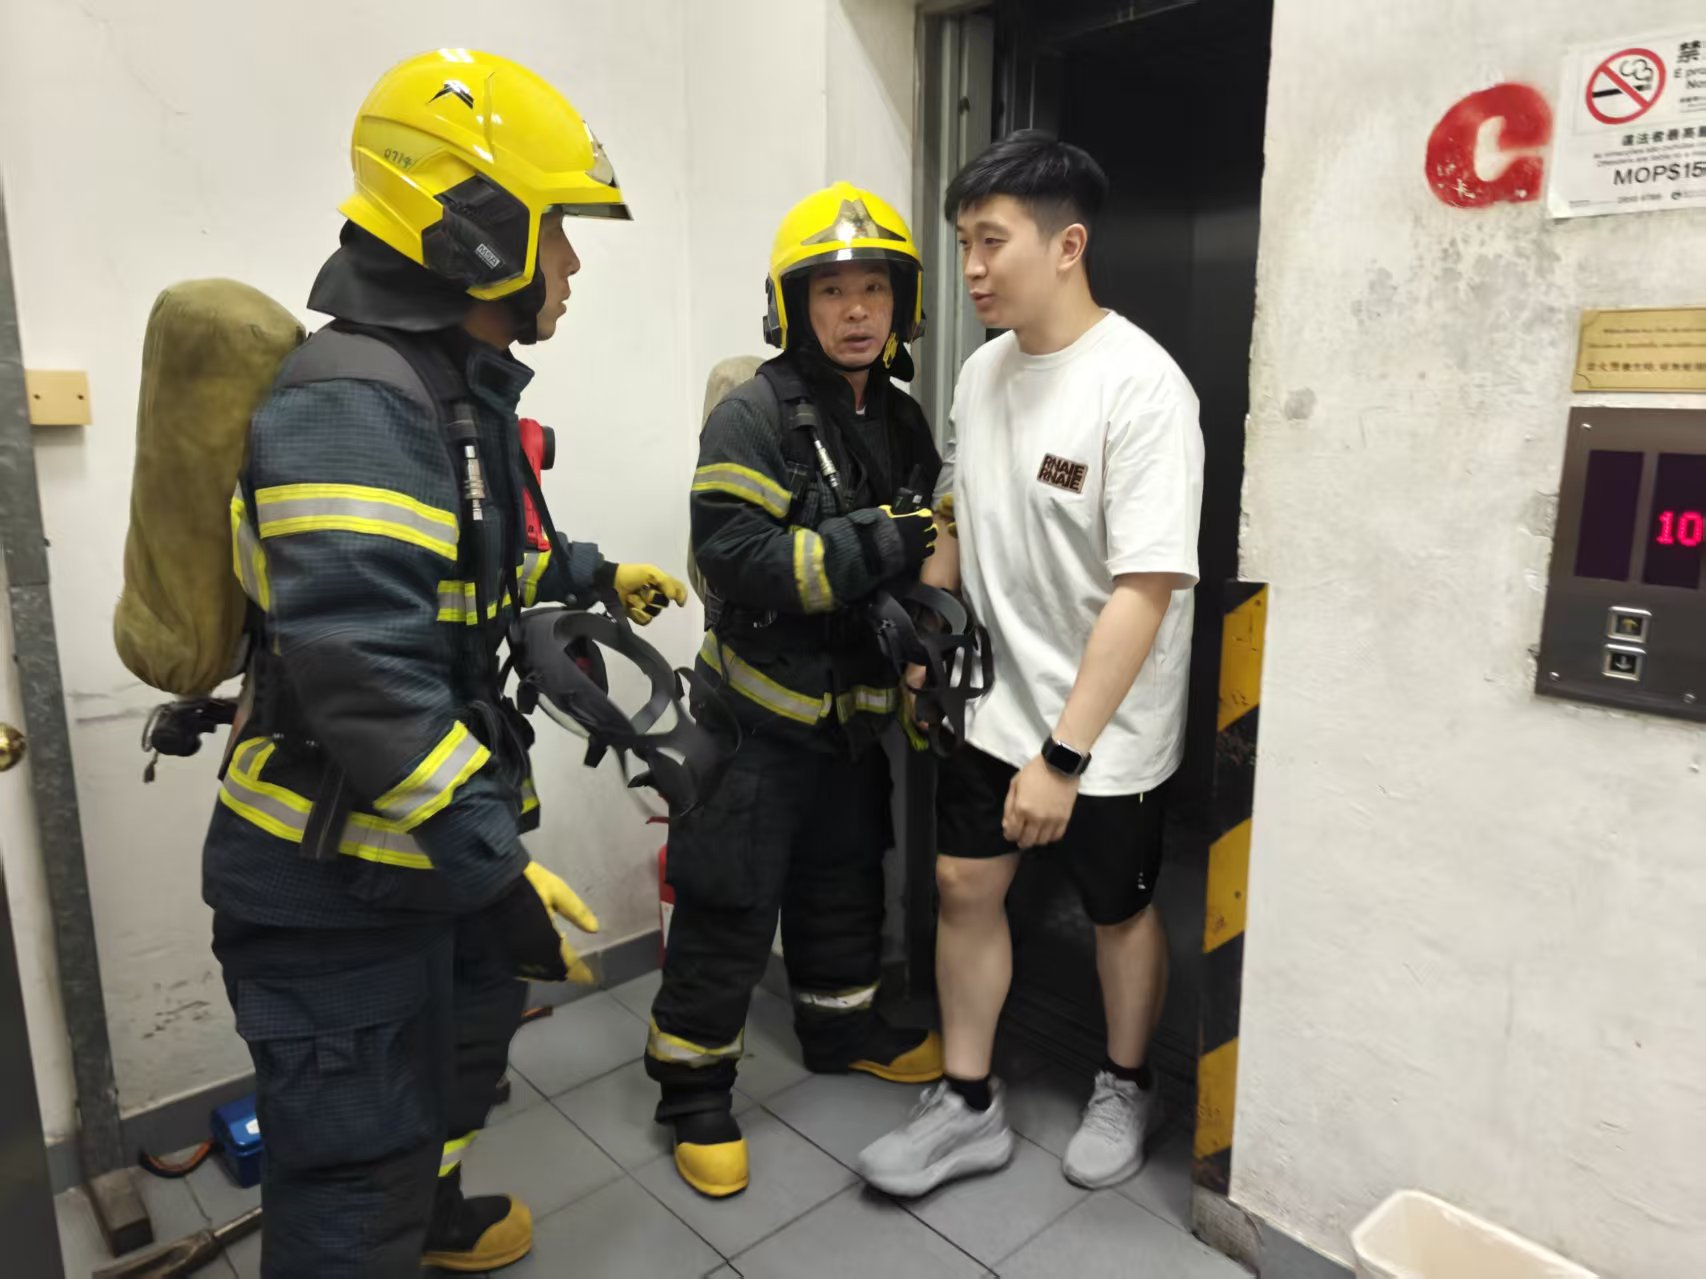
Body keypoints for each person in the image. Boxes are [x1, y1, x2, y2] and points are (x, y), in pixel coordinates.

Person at [204, 50, 685, 1276]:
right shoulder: (352, 402)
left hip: (419, 864)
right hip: (339, 885)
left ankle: (433, 1221)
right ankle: (391, 1226)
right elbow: (362, 671)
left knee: (453, 1070)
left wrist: (590, 573)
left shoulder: (447, 389)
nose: (570, 264)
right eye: (556, 230)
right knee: (353, 1176)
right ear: (477, 228)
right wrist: (495, 871)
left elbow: (466, 566)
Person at [858, 131, 1204, 1196]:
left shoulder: (1140, 388)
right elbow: (958, 511)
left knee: (1116, 910)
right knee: (964, 883)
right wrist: (932, 622)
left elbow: (1145, 589)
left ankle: (1127, 1080)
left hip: (1105, 728)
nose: (970, 268)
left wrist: (1062, 756)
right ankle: (968, 1103)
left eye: (990, 241)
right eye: (963, 242)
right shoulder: (980, 372)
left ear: (1067, 245)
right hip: (991, 700)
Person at [646, 182, 946, 1198]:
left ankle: (840, 1027)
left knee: (845, 879)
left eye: (875, 290)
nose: (856, 311)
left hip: (854, 720)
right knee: (728, 901)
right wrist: (880, 542)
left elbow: (927, 547)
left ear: (901, 304)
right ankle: (692, 1093)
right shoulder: (753, 414)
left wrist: (922, 631)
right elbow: (735, 559)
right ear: (793, 304)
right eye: (831, 292)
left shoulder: (901, 419)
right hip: (755, 721)